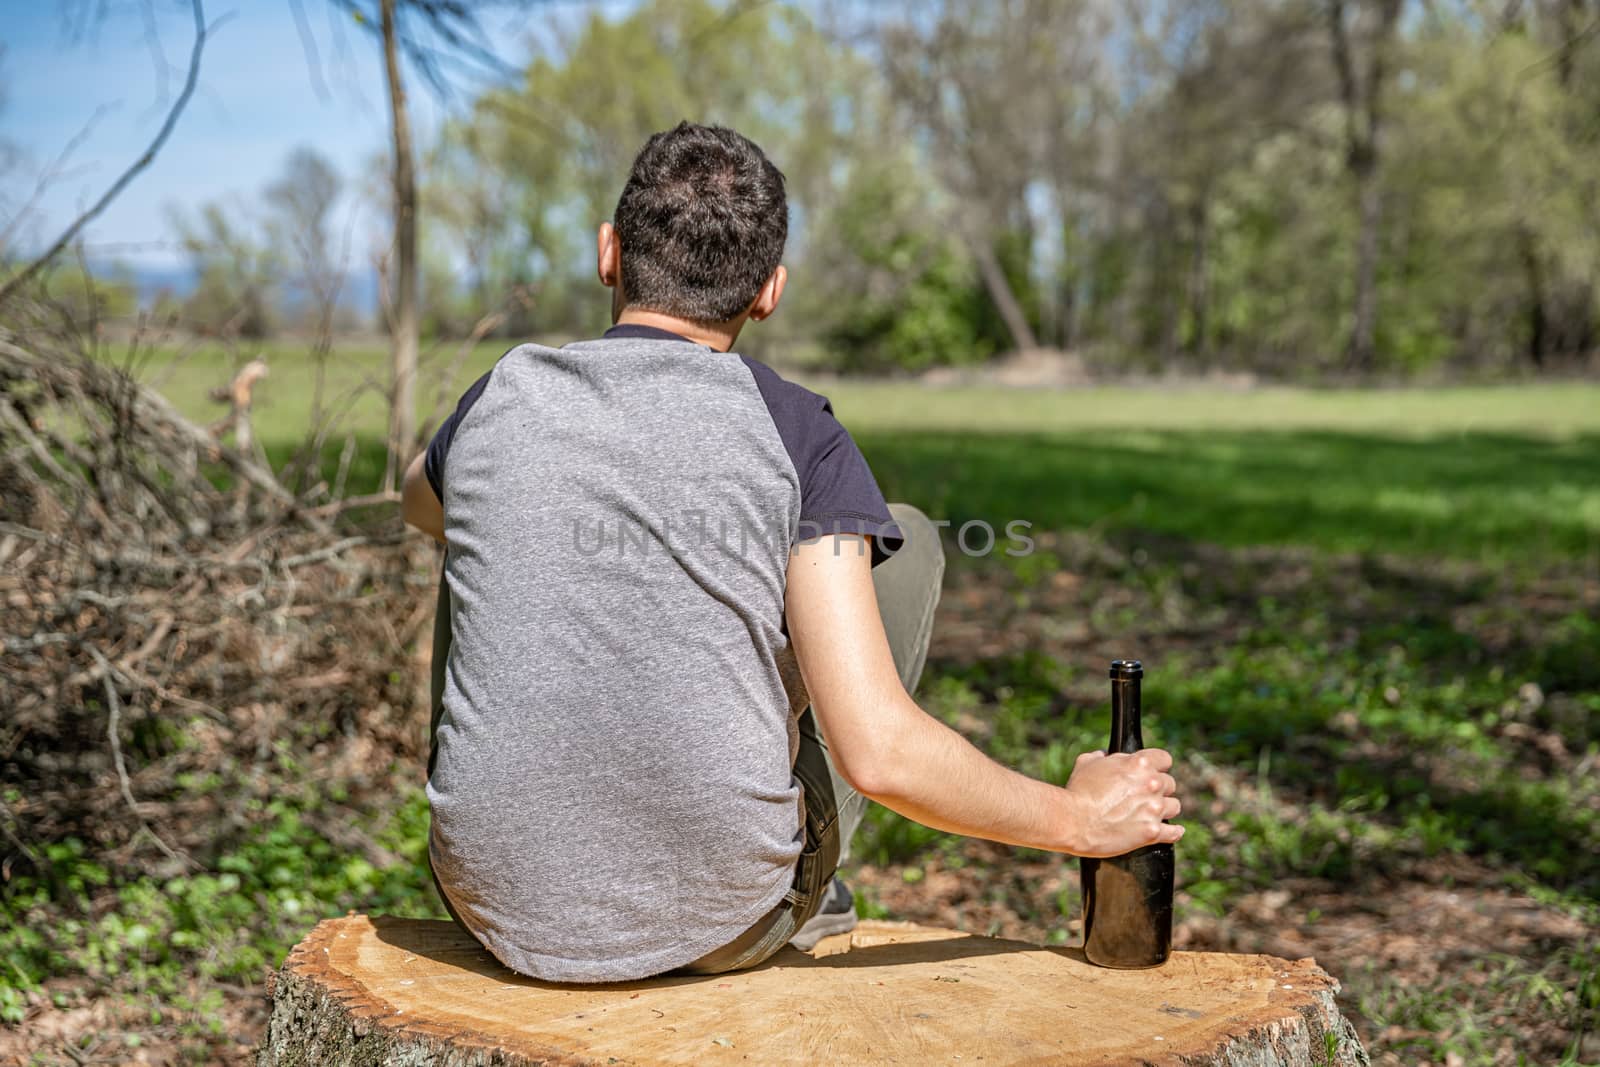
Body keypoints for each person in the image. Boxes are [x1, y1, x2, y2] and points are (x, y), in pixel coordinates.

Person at [400, 122, 1183, 983]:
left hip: (486, 901)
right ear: (769, 291)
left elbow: (418, 503)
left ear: (608, 252)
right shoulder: (797, 430)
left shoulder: (503, 390)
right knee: (907, 538)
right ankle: (810, 868)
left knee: (469, 505)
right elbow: (878, 752)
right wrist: (1081, 817)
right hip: (722, 922)